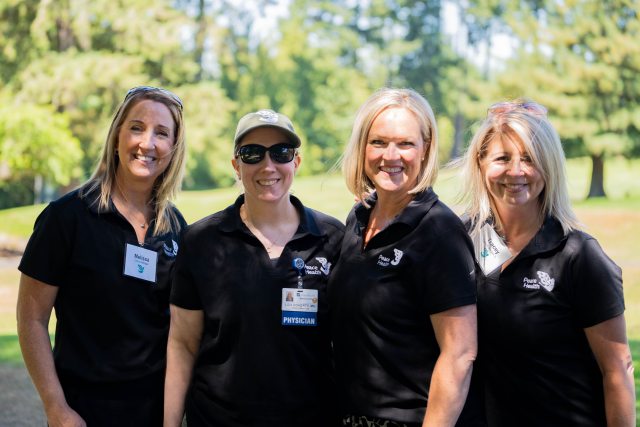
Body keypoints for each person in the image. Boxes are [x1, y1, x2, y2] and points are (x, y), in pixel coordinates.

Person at [16, 86, 187, 426]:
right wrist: (56, 407)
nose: (147, 143)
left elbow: (180, 332)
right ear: (116, 136)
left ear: (173, 148)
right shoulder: (67, 218)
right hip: (83, 412)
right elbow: (31, 318)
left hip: (153, 412)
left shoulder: (177, 228)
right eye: (136, 127)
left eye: (162, 133)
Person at [458, 99, 635, 426]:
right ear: (481, 163)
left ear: (550, 166)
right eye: (502, 158)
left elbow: (618, 369)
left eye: (529, 158)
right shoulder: (470, 239)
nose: (515, 171)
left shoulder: (578, 256)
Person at [164, 109, 345, 426]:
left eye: (281, 153)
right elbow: (182, 344)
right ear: (236, 165)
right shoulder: (200, 241)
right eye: (252, 154)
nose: (268, 165)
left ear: (296, 162)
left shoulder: (333, 239)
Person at [329, 88, 484, 427]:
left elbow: (459, 354)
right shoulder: (358, 219)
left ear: (425, 149)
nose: (391, 155)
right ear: (362, 147)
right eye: (379, 142)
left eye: (405, 143)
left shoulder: (439, 231)